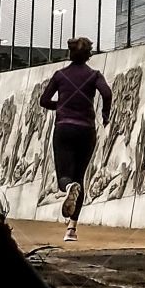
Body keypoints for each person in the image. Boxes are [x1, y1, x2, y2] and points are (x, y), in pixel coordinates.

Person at [40, 36, 112, 242]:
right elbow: (106, 93)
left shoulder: (60, 75)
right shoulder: (94, 75)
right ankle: (71, 229)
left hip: (63, 128)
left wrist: (61, 106)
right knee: (80, 177)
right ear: (89, 55)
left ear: (70, 53)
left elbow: (44, 100)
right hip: (86, 131)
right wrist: (105, 114)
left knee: (65, 175)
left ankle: (67, 187)